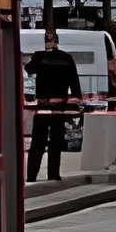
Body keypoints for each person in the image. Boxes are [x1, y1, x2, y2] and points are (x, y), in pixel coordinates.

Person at [28, 30, 82, 186]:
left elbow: (29, 69)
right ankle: (53, 174)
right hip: (60, 106)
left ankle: (31, 175)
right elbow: (74, 81)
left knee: (38, 141)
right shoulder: (66, 58)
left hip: (43, 105)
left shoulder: (39, 57)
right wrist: (77, 99)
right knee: (56, 141)